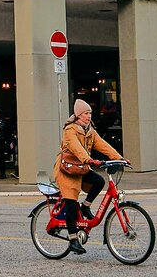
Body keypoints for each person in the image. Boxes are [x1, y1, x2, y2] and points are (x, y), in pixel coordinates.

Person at [49, 99, 123, 251]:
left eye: (90, 113)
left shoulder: (90, 131)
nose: (89, 116)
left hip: (81, 167)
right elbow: (76, 148)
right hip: (67, 169)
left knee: (98, 181)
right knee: (70, 201)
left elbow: (103, 145)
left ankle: (85, 206)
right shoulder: (70, 130)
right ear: (78, 115)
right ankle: (73, 240)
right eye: (86, 113)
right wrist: (88, 160)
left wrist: (119, 158)